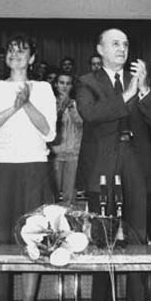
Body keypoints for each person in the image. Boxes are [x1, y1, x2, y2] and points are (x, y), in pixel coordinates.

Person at [76, 28, 151, 301]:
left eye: (125, 44)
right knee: (103, 241)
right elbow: (91, 114)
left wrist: (144, 90)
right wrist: (127, 95)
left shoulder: (138, 80)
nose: (122, 49)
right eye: (115, 43)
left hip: (135, 162)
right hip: (102, 164)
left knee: (138, 237)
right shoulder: (87, 82)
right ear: (100, 49)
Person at [0, 35, 57, 301]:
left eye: (22, 51)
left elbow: (49, 131)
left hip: (33, 168)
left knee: (32, 238)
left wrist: (28, 104)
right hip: (1, 167)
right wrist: (14, 107)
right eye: (11, 49)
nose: (15, 54)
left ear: (32, 59)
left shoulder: (43, 88)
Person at [51, 72, 83, 204]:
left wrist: (71, 108)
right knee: (52, 194)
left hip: (73, 153)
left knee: (69, 197)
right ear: (56, 85)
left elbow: (81, 124)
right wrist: (60, 108)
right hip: (55, 154)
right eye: (61, 83)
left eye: (68, 83)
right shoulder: (49, 102)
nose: (64, 86)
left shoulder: (77, 104)